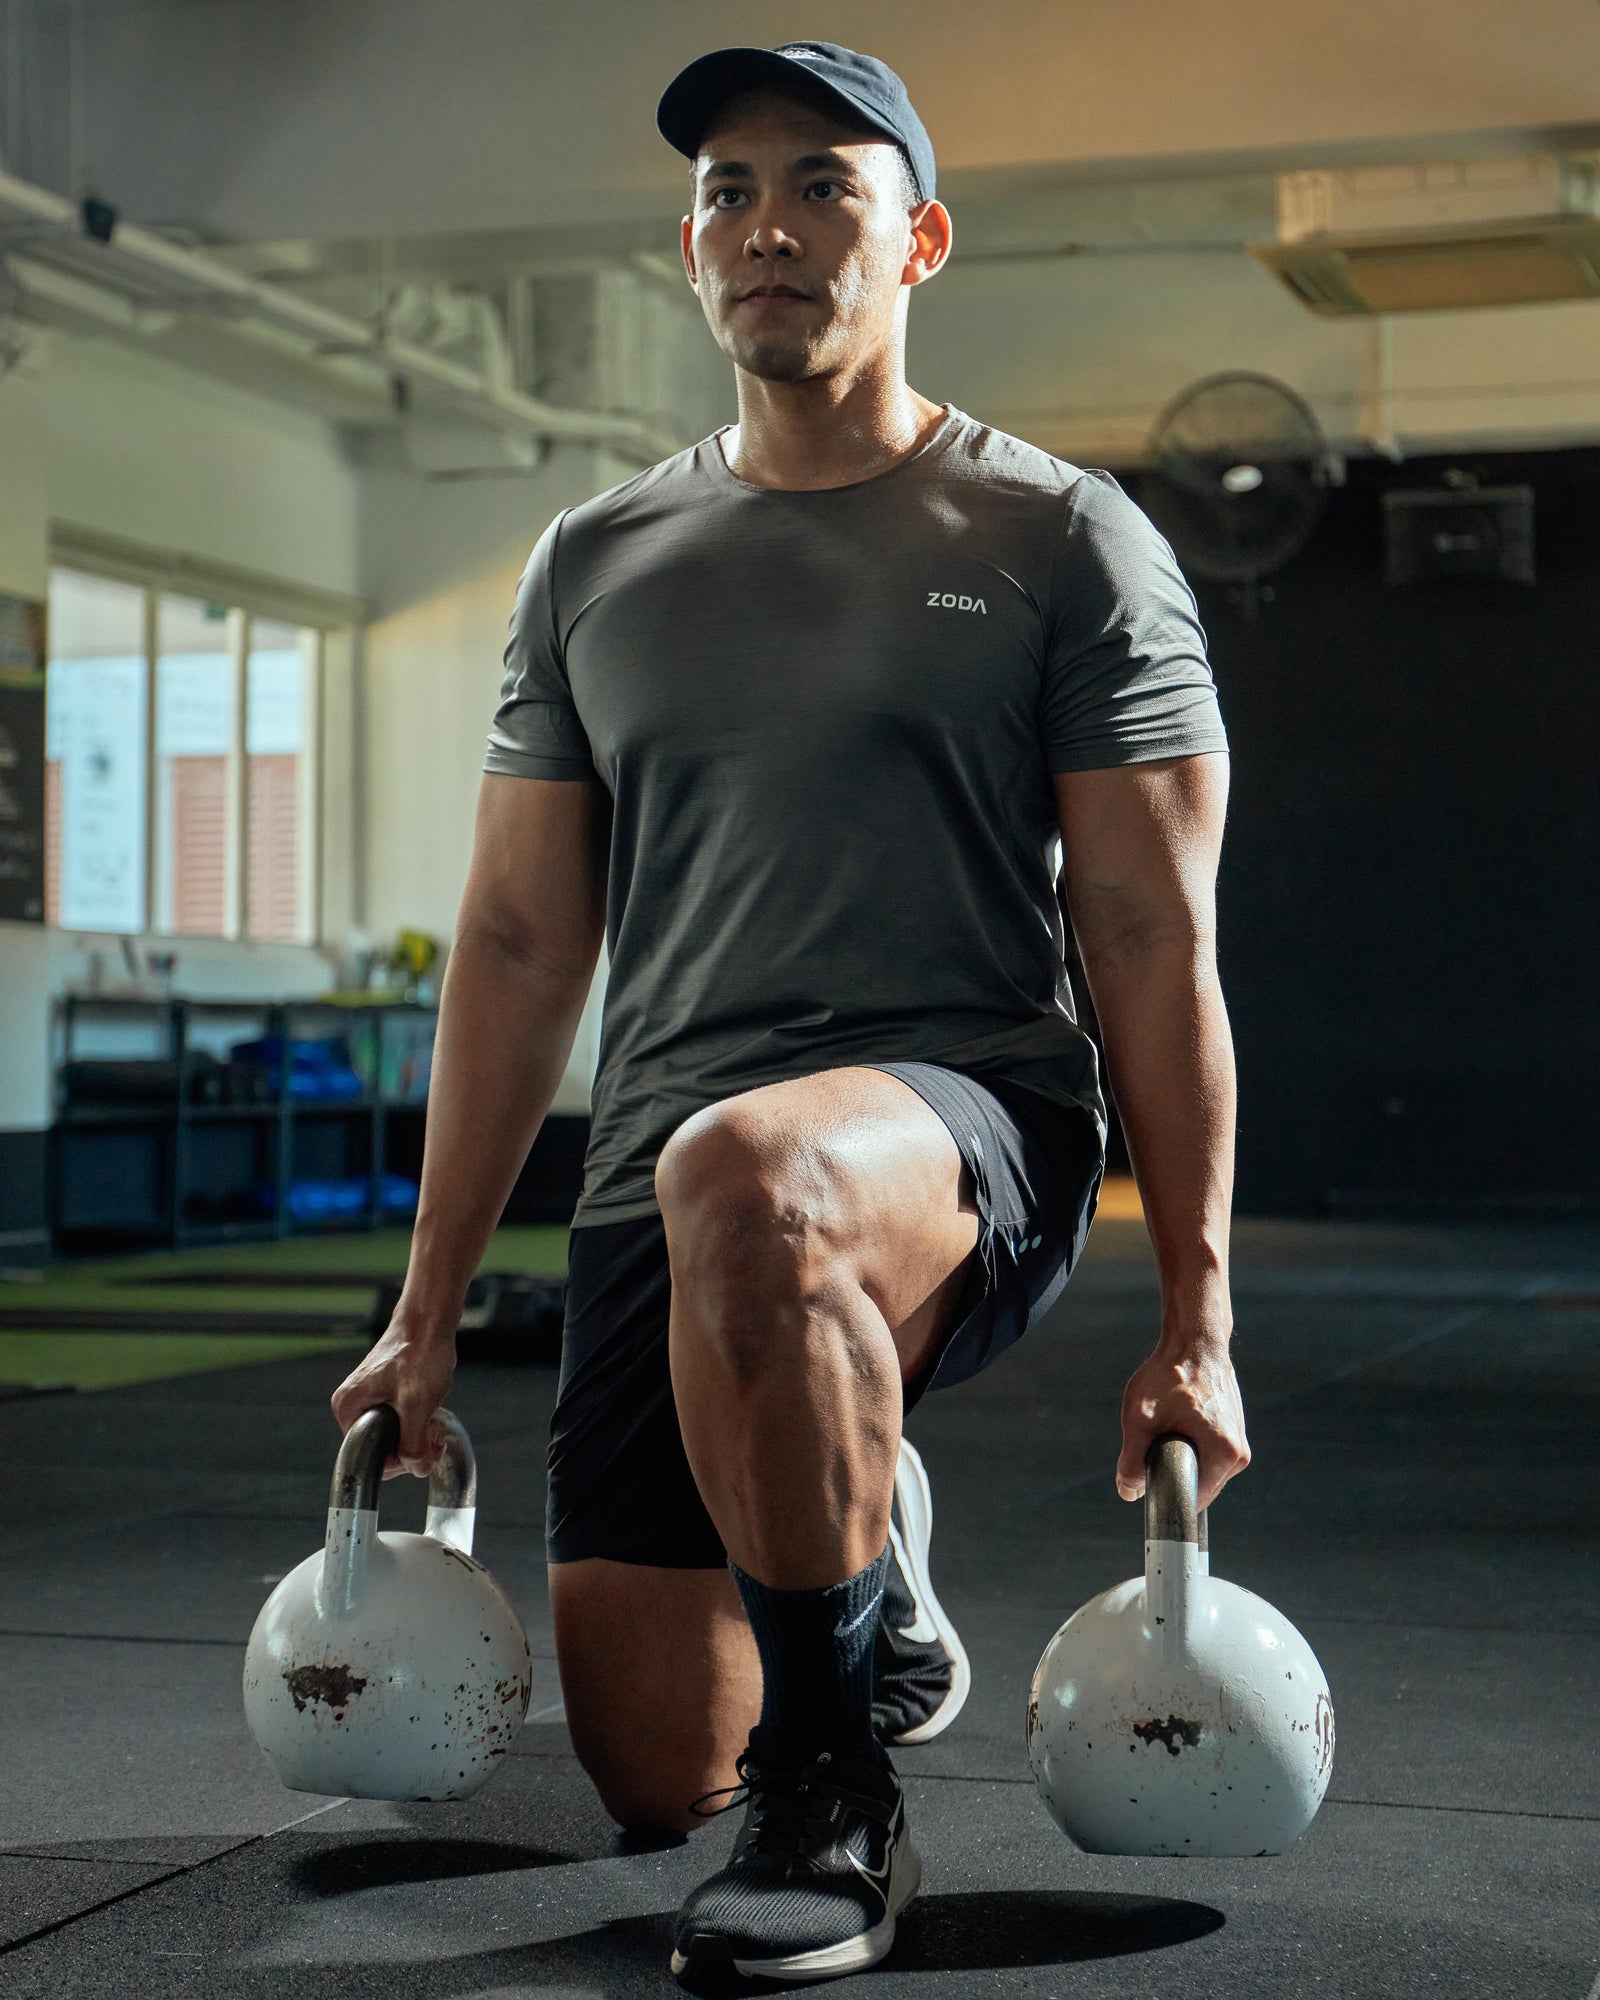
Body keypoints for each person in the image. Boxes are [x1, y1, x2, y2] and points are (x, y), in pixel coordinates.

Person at [331, 36, 1250, 1988]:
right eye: (727, 192)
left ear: (914, 236)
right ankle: (855, 1535)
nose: (767, 225)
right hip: (668, 1179)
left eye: (818, 186)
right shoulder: (594, 562)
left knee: (752, 1174)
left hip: (963, 1117)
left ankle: (838, 1805)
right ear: (687, 251)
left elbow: (1155, 943)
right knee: (658, 1767)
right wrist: (419, 1318)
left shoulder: (1055, 536)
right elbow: (511, 947)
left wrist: (1196, 1315)